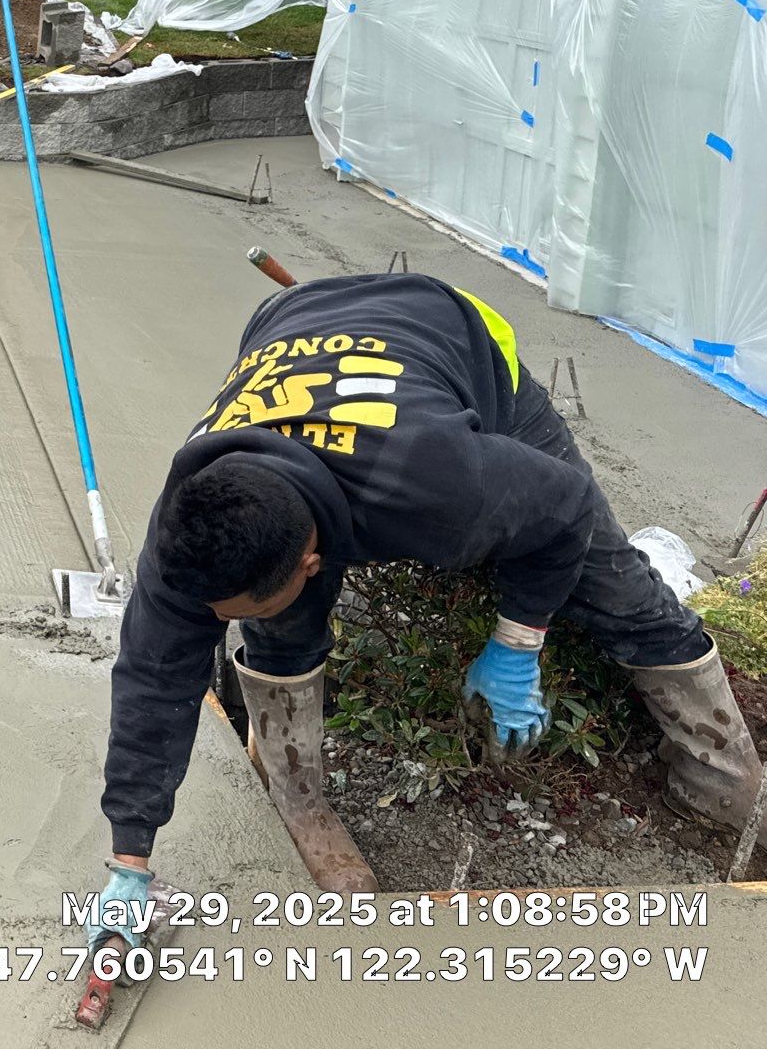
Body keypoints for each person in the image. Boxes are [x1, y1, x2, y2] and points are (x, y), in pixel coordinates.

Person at [87, 272, 762, 951]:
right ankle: (300, 799)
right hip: (291, 326)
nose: (213, 619)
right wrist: (130, 862)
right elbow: (154, 679)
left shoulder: (439, 485)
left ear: (313, 562)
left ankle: (723, 777)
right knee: (281, 631)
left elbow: (566, 508)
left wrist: (518, 640)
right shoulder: (192, 522)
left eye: (235, 607)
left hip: (452, 342)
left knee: (615, 588)